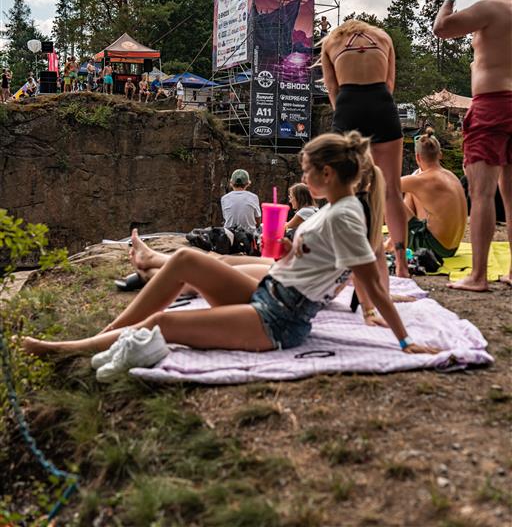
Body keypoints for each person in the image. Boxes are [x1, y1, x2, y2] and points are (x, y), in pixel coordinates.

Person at [22, 132, 438, 365]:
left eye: (306, 171)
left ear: (327, 173)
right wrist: (297, 254)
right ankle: (107, 333)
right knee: (187, 258)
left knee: (164, 324)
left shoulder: (346, 216)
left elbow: (372, 284)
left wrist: (404, 341)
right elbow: (324, 263)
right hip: (268, 293)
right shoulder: (336, 208)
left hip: (279, 320)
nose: (304, 178)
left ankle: (76, 349)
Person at [433, 0, 512, 291]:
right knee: (511, 195)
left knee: (481, 194)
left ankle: (478, 276)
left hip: (492, 105)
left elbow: (442, 29)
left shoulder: (490, 8)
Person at [321, 19, 409, 277]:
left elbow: (332, 87)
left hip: (348, 106)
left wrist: (346, 116)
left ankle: (347, 262)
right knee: (392, 189)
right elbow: (390, 84)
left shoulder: (331, 42)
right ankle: (402, 265)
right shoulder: (383, 37)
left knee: (345, 188)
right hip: (381, 102)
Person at [395, 129, 467, 262]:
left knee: (390, 195)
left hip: (432, 249)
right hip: (451, 248)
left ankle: (393, 242)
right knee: (411, 190)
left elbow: (381, 186)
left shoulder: (421, 180)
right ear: (440, 154)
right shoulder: (451, 176)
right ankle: (404, 235)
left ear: (417, 157)